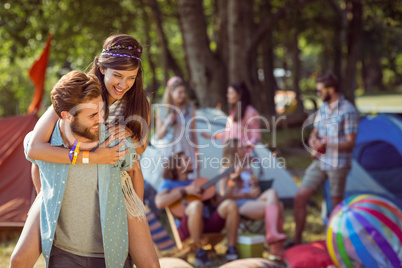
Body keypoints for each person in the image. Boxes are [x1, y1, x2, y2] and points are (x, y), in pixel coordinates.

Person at [10, 35, 159, 267]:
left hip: (116, 180)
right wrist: (91, 157)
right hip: (60, 179)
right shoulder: (80, 92)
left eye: (131, 77)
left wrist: (129, 134)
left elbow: (139, 149)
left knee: (149, 262)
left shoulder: (138, 104)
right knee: (19, 259)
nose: (123, 84)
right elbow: (34, 147)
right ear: (102, 68)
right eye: (117, 75)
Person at [289, 73, 359, 247]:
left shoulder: (348, 110)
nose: (318, 93)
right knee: (300, 197)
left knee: (336, 208)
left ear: (331, 89)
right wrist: (313, 142)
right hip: (320, 161)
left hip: (338, 163)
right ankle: (296, 241)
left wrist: (327, 145)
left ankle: (339, 246)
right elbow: (315, 133)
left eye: (320, 90)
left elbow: (350, 142)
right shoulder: (324, 109)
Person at [155, 152, 240, 266]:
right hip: (186, 229)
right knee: (196, 205)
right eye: (186, 160)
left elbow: (221, 201)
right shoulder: (169, 184)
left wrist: (232, 180)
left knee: (230, 204)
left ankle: (231, 250)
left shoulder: (199, 183)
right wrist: (185, 191)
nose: (191, 162)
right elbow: (160, 202)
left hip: (206, 224)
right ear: (177, 166)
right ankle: (199, 252)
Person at [219, 139, 286, 259]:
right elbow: (224, 196)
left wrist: (255, 185)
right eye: (241, 148)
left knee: (272, 193)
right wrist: (242, 190)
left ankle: (272, 236)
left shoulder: (247, 167)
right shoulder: (226, 170)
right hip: (239, 204)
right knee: (279, 206)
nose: (244, 150)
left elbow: (255, 192)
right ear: (233, 151)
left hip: (253, 200)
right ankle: (276, 248)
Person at [154, 76, 198, 180]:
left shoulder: (190, 109)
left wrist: (197, 156)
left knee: (189, 176)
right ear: (171, 92)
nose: (183, 95)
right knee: (171, 177)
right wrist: (167, 122)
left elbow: (194, 134)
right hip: (169, 149)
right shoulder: (162, 110)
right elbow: (159, 135)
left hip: (187, 148)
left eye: (184, 92)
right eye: (179, 92)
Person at [202, 81, 261, 155]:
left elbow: (256, 136)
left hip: (243, 155)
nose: (227, 95)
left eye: (230, 93)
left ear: (239, 95)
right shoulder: (233, 112)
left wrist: (245, 146)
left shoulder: (250, 112)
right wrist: (213, 136)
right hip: (231, 153)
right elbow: (228, 133)